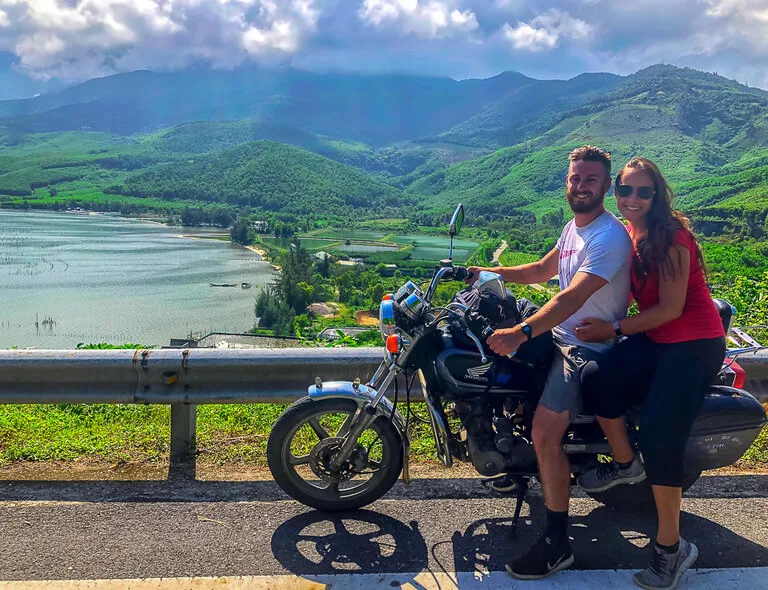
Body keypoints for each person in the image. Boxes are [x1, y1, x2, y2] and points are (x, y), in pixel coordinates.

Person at [467, 145, 632, 580]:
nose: (580, 186)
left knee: (544, 433)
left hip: (583, 348)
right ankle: (515, 464)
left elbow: (570, 297)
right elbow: (543, 269)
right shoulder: (574, 228)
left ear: (605, 187)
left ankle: (558, 545)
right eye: (575, 178)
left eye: (590, 180)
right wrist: (487, 274)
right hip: (562, 336)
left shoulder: (609, 236)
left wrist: (521, 332)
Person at [575, 157, 726, 590]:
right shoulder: (627, 233)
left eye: (644, 192)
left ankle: (671, 548)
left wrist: (613, 329)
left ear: (657, 195)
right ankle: (626, 464)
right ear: (615, 194)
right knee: (595, 378)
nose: (633, 199)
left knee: (662, 434)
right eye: (625, 191)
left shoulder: (673, 236)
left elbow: (672, 309)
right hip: (657, 340)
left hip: (692, 345)